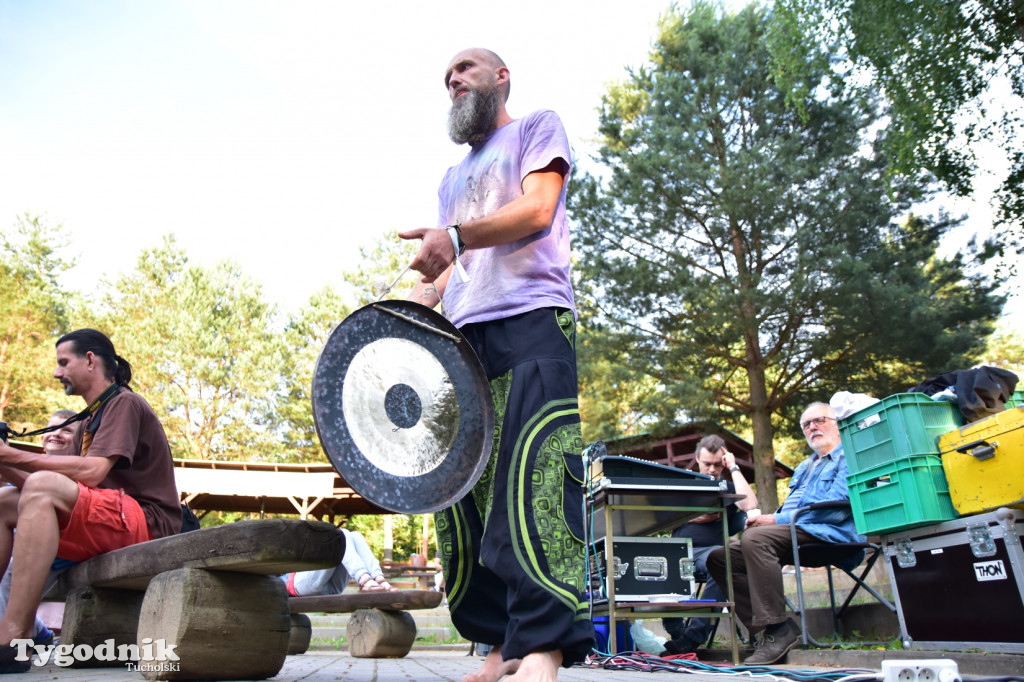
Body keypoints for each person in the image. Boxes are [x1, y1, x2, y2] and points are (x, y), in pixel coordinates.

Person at [398, 48, 593, 682]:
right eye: (446, 78)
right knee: (468, 494)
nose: (453, 80)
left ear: (501, 76)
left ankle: (543, 647)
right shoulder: (451, 178)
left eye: (465, 68)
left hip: (534, 317)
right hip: (464, 336)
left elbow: (538, 210)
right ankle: (498, 645)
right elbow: (450, 269)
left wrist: (453, 237)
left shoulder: (537, 127)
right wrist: (398, 319)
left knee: (533, 480)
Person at [0, 329, 181, 673]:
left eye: (63, 362)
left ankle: (14, 636)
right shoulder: (85, 421)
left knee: (35, 487)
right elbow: (43, 492)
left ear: (90, 360)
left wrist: (12, 454)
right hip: (107, 519)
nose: (57, 372)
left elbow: (94, 471)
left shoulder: (123, 402)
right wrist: (5, 461)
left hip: (148, 523)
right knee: (6, 500)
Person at [706, 402, 861, 665]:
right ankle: (769, 633)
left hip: (829, 535)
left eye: (819, 420)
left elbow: (835, 511)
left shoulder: (850, 457)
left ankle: (777, 629)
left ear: (837, 424)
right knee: (720, 557)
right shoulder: (805, 466)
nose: (812, 427)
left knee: (755, 539)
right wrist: (763, 520)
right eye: (806, 425)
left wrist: (773, 520)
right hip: (795, 532)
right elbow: (791, 508)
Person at [662, 435, 758, 655]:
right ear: (697, 459)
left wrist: (733, 467)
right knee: (662, 562)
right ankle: (677, 634)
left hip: (711, 553)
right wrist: (688, 517)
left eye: (718, 464)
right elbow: (658, 517)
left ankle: (692, 638)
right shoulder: (681, 483)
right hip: (677, 550)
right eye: (707, 464)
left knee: (723, 561)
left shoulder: (728, 486)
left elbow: (751, 505)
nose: (713, 470)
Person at [0, 410, 82, 648]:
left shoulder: (77, 469)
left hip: (63, 545)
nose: (56, 434)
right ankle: (39, 631)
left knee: (11, 580)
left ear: (78, 442)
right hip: (27, 539)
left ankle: (16, 640)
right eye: (50, 429)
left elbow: (36, 490)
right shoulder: (32, 466)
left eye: (67, 430)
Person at [283, 529, 397, 596]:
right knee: (342, 534)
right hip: (298, 585)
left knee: (355, 535)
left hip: (331, 588)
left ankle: (378, 578)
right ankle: (363, 578)